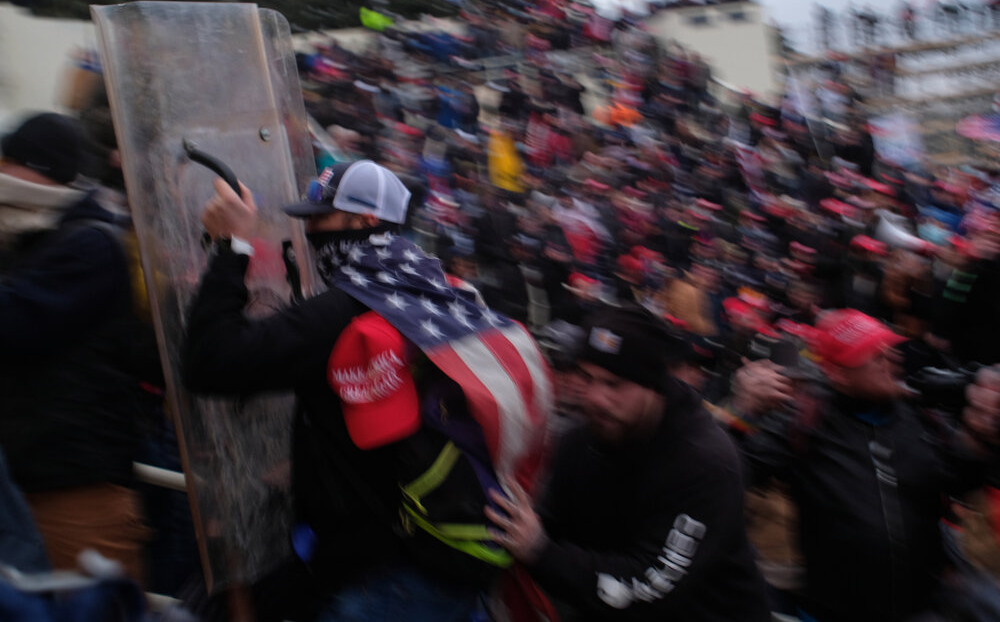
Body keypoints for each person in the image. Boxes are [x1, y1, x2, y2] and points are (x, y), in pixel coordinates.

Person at [182, 159, 548, 620]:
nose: (310, 230)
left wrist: (231, 245)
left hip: (386, 581)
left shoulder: (347, 309)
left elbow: (211, 361)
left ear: (366, 221)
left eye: (321, 217)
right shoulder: (436, 288)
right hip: (432, 566)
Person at [484, 304, 771, 621]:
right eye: (587, 378)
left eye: (613, 384)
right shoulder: (581, 441)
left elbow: (651, 586)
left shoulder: (705, 463)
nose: (595, 398)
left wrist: (541, 552)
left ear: (653, 386)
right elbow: (548, 522)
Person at [732, 309, 1000, 622]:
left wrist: (982, 436)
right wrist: (742, 413)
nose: (890, 359)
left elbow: (958, 481)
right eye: (873, 355)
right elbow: (729, 476)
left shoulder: (918, 417)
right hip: (838, 611)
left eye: (887, 347)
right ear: (839, 374)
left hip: (922, 607)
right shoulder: (805, 423)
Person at [0, 112, 150, 581]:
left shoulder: (91, 245)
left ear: (37, 170)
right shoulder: (26, 235)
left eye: (7, 161)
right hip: (25, 482)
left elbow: (14, 320)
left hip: (74, 493)